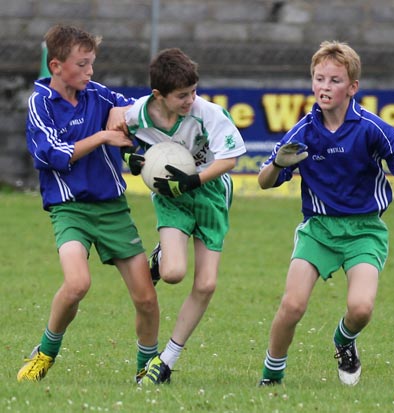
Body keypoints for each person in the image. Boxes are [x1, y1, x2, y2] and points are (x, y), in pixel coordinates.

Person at [257, 40, 394, 387]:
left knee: (361, 309)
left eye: (334, 81)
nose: (325, 87)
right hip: (318, 231)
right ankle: (271, 376)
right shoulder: (304, 131)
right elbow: (266, 179)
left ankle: (343, 340)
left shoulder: (370, 127)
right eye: (319, 79)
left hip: (364, 231)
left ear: (352, 87)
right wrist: (279, 163)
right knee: (292, 306)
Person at [17, 24, 160, 384]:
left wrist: (123, 114)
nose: (90, 72)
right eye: (82, 65)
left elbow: (139, 109)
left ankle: (146, 367)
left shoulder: (98, 95)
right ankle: (46, 352)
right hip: (70, 210)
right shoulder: (40, 105)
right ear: (56, 66)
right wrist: (102, 136)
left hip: (112, 209)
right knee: (78, 284)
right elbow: (53, 154)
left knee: (145, 298)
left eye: (92, 64)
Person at [122, 48, 246, 384]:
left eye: (193, 91)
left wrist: (192, 179)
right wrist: (128, 153)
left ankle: (166, 361)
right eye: (182, 95)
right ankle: (164, 253)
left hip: (210, 193)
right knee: (174, 273)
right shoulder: (141, 113)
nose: (190, 99)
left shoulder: (208, 113)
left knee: (206, 285)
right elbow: (116, 121)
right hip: (170, 196)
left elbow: (230, 159)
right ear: (158, 96)